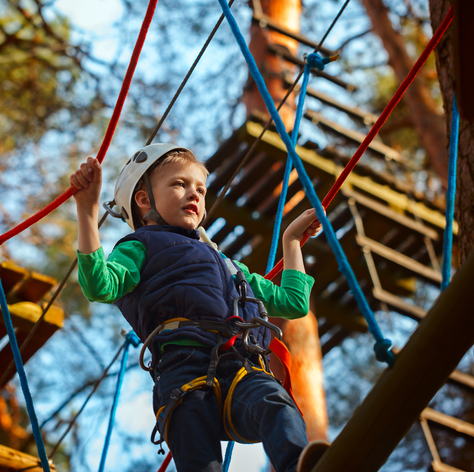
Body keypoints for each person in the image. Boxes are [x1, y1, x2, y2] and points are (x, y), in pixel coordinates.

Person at [72, 144, 326, 472]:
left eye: (201, 189)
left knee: (276, 404)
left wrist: (291, 242)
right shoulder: (139, 247)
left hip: (241, 367)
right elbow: (100, 285)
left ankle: (298, 466)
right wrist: (87, 212)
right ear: (144, 200)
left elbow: (293, 303)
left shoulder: (229, 266)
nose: (194, 194)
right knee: (199, 458)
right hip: (183, 371)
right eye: (180, 184)